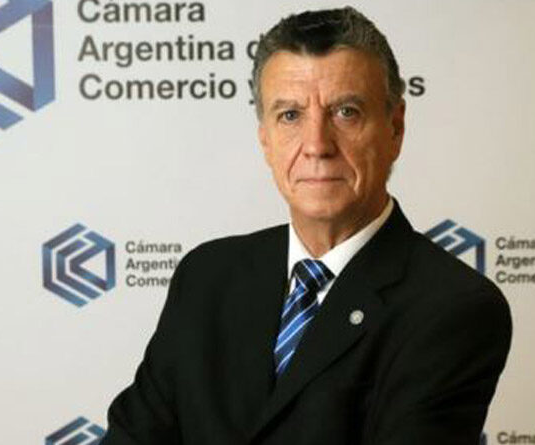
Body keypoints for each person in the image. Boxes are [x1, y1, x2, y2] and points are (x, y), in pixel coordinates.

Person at [101, 7, 511, 445]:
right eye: (290, 116)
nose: (317, 145)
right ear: (265, 138)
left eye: (346, 112)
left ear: (395, 128)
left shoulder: (453, 309)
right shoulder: (207, 277)